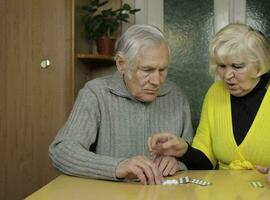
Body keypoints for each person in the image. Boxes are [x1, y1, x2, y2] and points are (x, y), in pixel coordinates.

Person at [148, 23, 270, 188]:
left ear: (259, 64)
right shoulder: (215, 92)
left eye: (237, 67)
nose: (227, 75)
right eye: (222, 66)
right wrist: (184, 150)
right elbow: (205, 163)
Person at [49, 24, 193, 185]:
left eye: (163, 70)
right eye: (147, 70)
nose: (156, 81)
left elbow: (192, 154)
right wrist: (118, 166)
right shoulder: (96, 93)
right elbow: (61, 152)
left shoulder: (176, 96)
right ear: (121, 64)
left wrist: (176, 161)